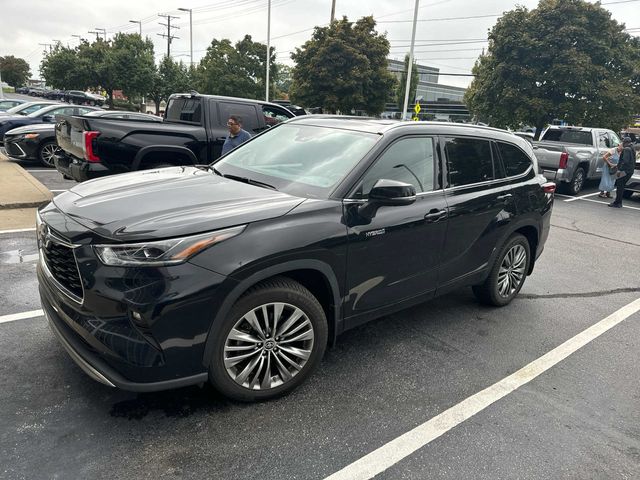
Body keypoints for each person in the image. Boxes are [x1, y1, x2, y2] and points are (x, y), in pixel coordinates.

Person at [609, 136, 636, 208]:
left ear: (625, 142)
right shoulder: (632, 148)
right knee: (621, 186)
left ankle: (618, 203)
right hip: (629, 171)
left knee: (620, 186)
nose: (622, 143)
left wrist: (619, 170)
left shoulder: (627, 149)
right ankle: (618, 202)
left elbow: (625, 161)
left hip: (625, 170)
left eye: (623, 142)